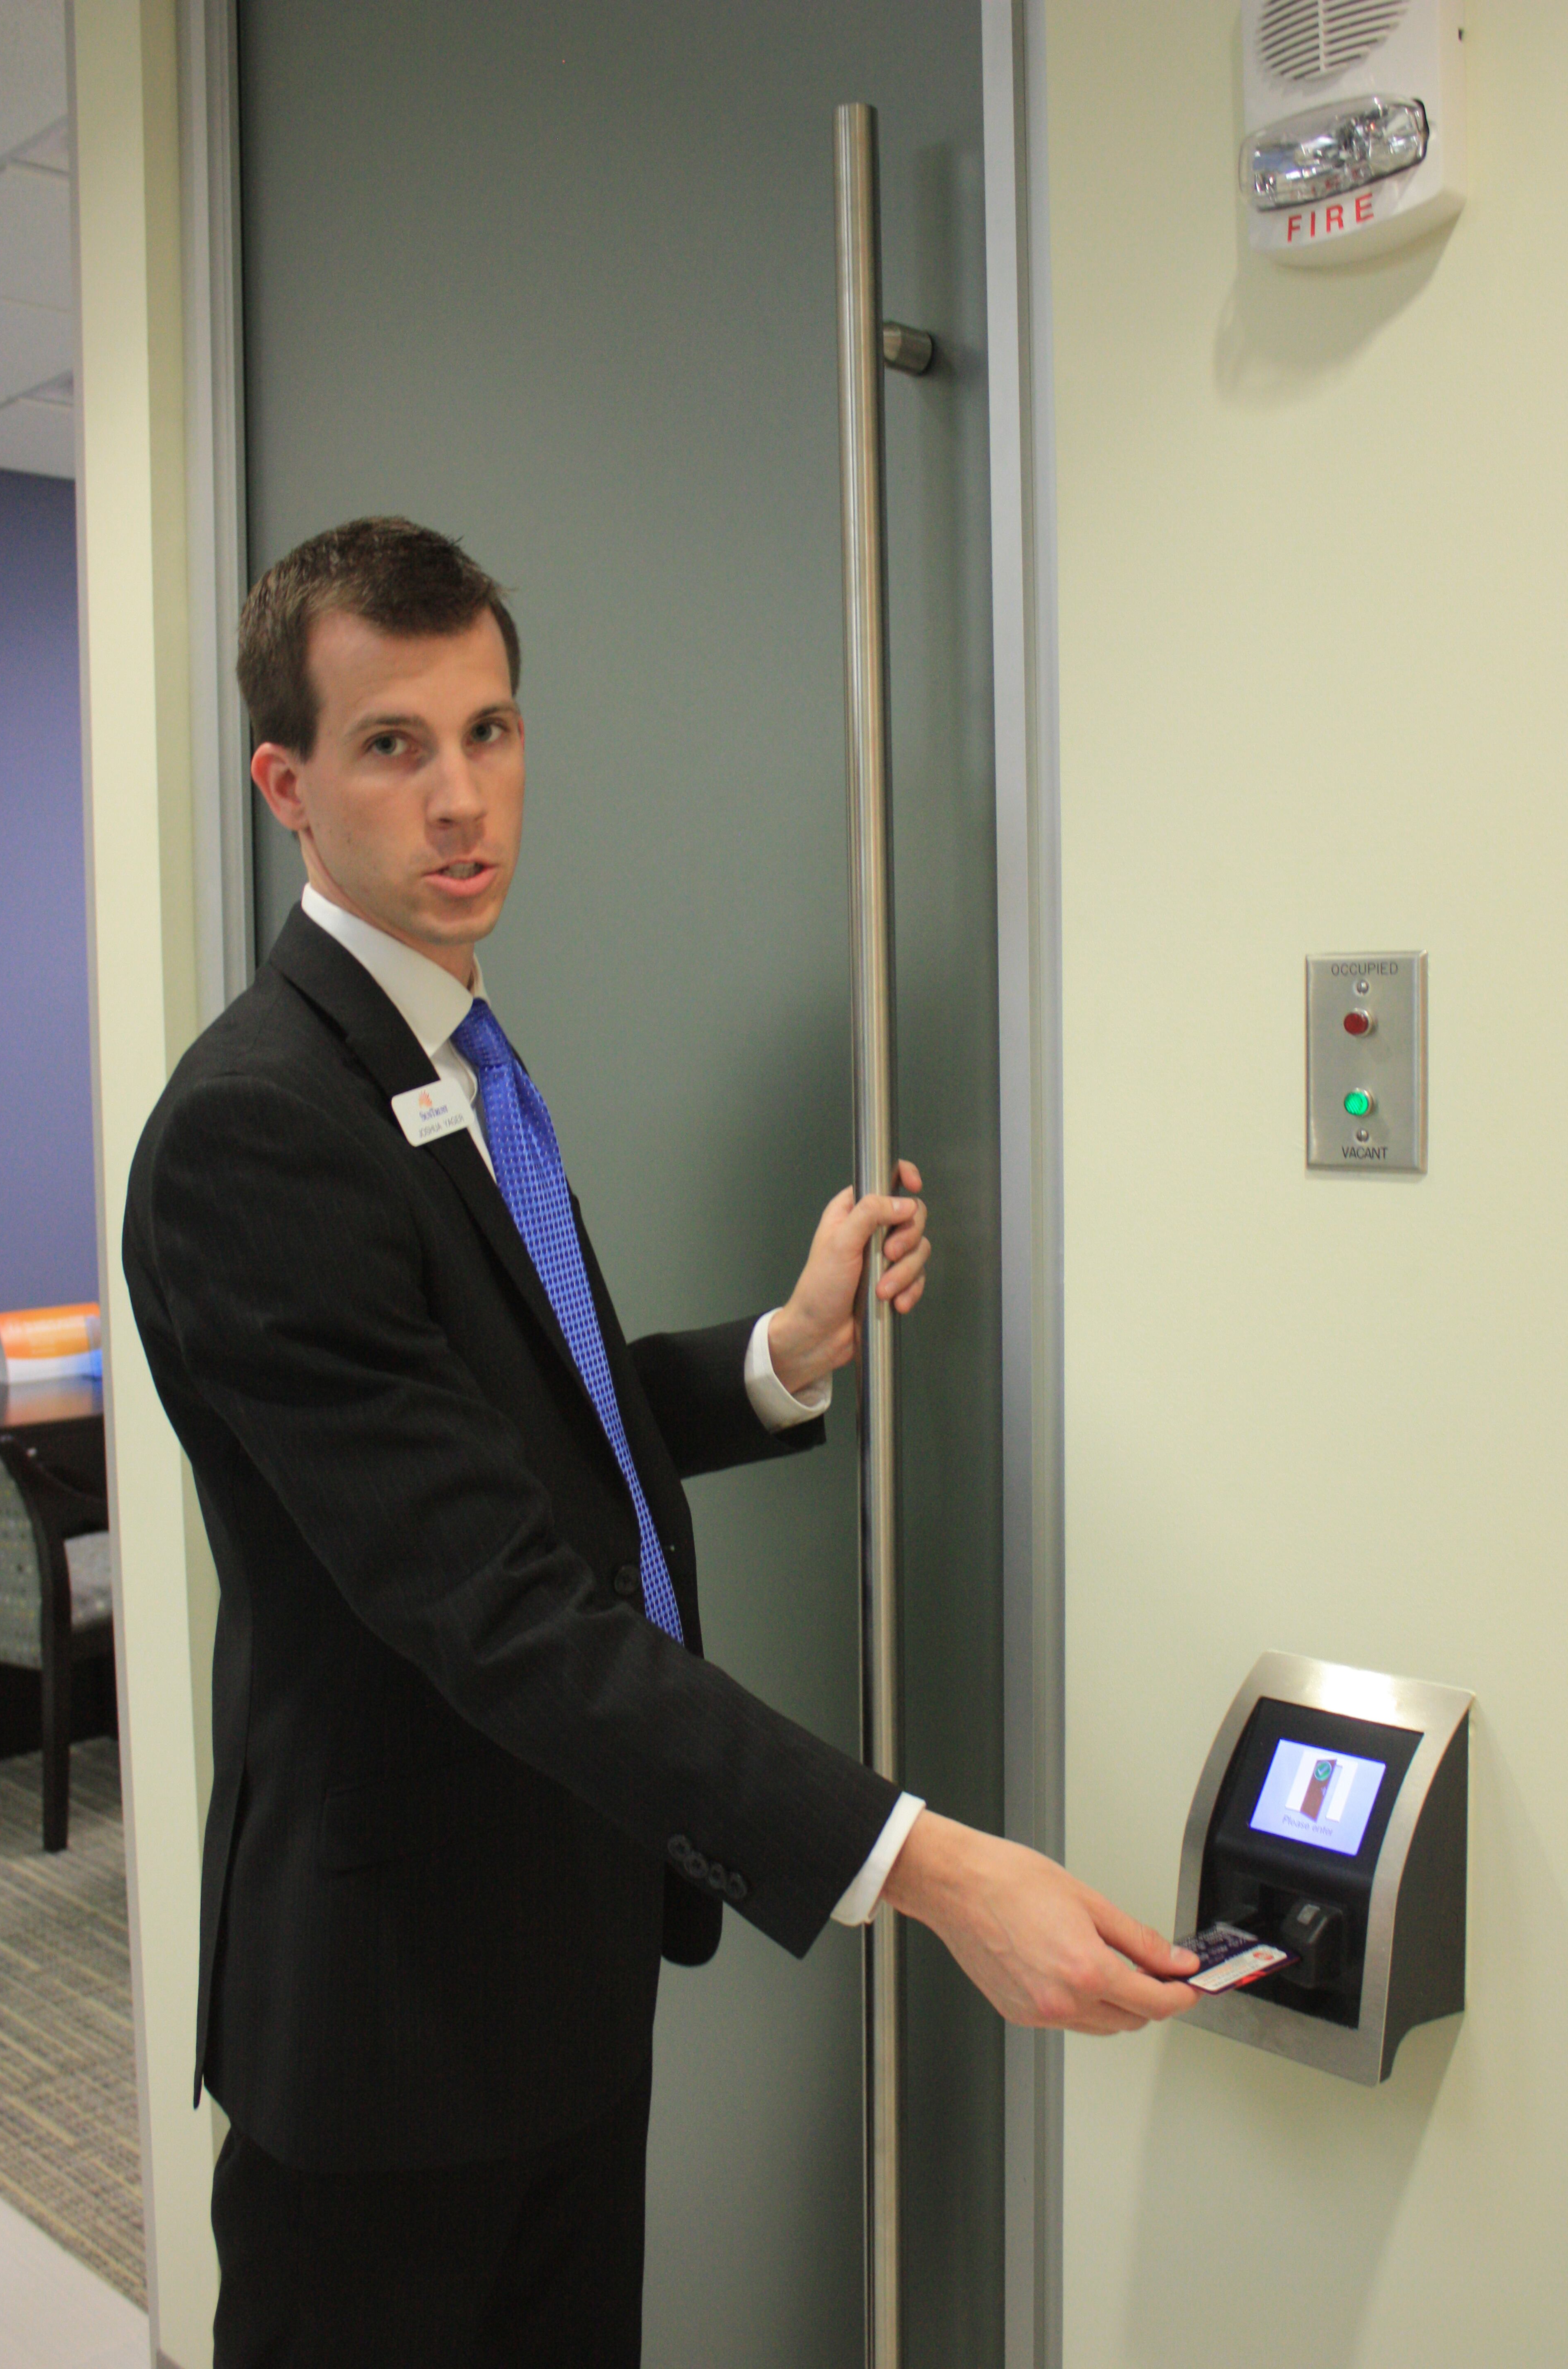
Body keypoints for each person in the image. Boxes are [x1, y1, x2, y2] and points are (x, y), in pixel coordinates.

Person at [123, 517, 1195, 2367]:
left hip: (552, 1965)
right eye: (396, 746)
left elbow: (509, 1430)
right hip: (386, 2046)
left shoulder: (450, 1062)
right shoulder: (259, 1129)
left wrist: (780, 1354)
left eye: (493, 731)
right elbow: (499, 1607)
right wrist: (930, 1870)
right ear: (286, 785)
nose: (464, 801)